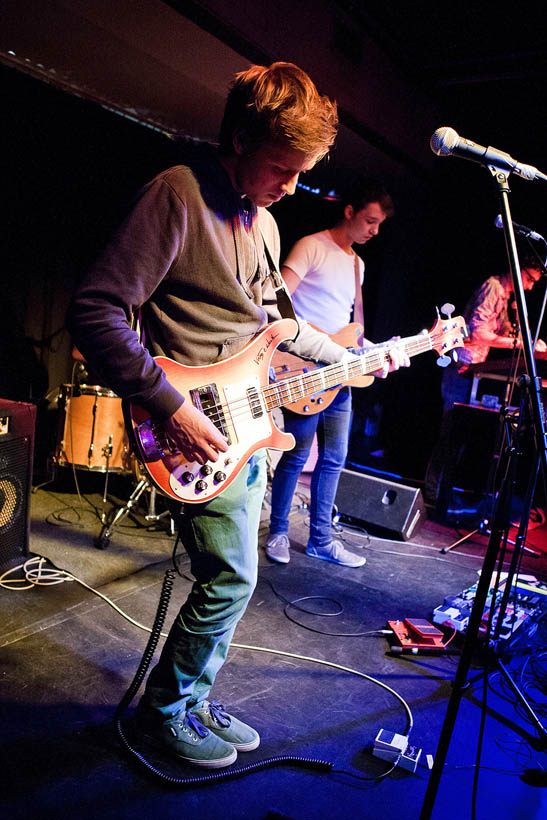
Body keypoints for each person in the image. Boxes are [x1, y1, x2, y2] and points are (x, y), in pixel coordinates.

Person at [67, 62, 408, 770]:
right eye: (280, 168)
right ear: (240, 138)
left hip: (245, 424)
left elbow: (278, 326)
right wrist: (169, 406)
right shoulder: (177, 195)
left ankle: (190, 698)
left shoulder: (264, 222)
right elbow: (95, 310)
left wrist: (364, 357)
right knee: (229, 579)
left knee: (236, 576)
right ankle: (167, 711)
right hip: (191, 425)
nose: (289, 186)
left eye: (300, 172)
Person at [265, 178, 396, 567]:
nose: (374, 230)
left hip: (340, 377)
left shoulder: (359, 264)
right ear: (350, 211)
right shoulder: (311, 246)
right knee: (296, 456)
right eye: (370, 221)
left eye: (379, 225)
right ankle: (278, 533)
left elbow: (350, 330)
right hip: (303, 369)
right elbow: (278, 305)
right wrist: (316, 344)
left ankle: (321, 539)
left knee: (334, 459)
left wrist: (377, 352)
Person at [424, 253, 546, 508]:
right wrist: (522, 344)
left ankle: (443, 494)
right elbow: (478, 331)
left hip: (473, 369)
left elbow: (499, 333)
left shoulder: (506, 297)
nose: (531, 286)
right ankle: (433, 494)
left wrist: (526, 341)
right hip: (461, 367)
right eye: (530, 279)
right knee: (450, 433)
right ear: (517, 270)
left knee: (458, 435)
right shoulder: (492, 287)